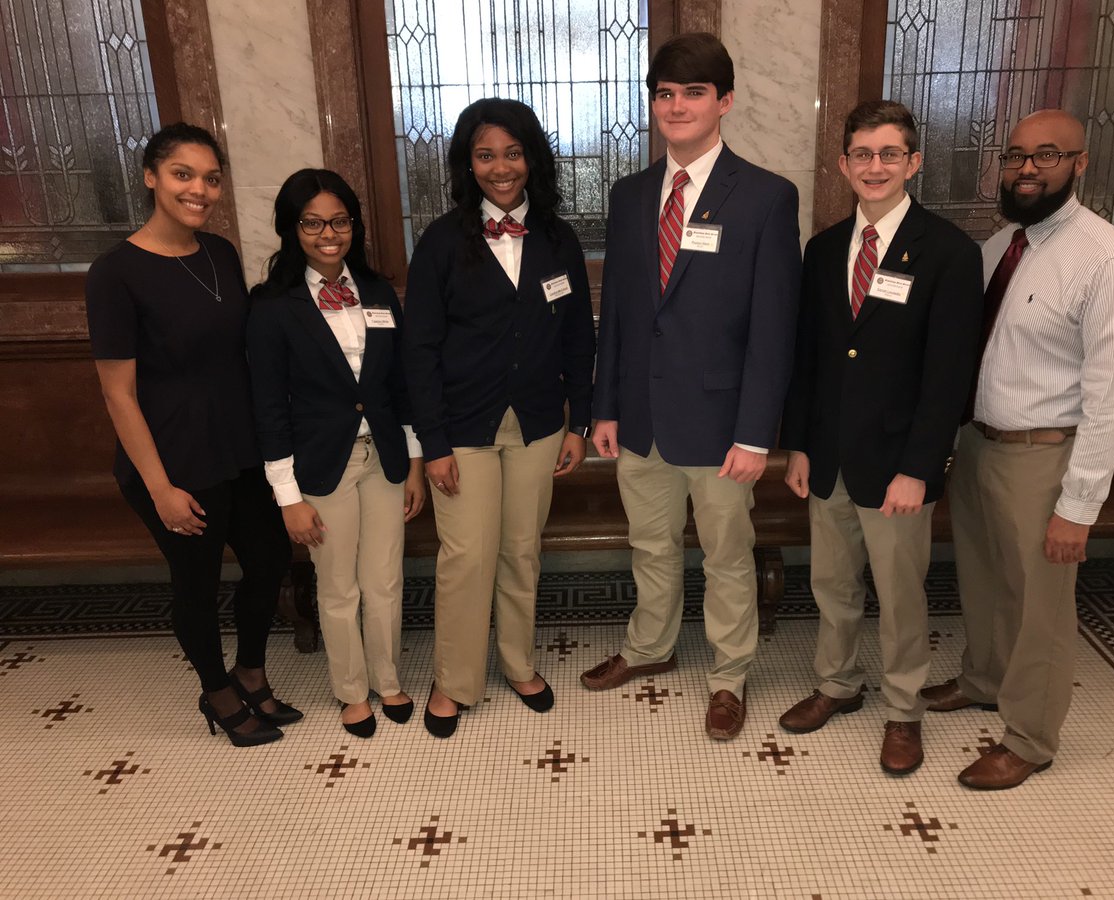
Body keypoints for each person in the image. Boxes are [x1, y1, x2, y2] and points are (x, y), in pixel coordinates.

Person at [579, 32, 803, 740]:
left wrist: (755, 434)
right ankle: (650, 646)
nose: (676, 106)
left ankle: (729, 675)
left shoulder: (767, 197)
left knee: (727, 556)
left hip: (720, 423)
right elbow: (619, 311)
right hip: (640, 417)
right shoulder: (630, 195)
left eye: (694, 93)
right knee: (649, 546)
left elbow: (774, 328)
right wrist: (604, 408)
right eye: (665, 93)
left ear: (724, 102)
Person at [921, 109, 1114, 789]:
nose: (1027, 169)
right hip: (980, 445)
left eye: (1047, 155)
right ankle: (984, 679)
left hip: (1044, 457)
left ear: (1081, 164)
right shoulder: (1001, 246)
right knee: (985, 578)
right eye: (1016, 155)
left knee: (1041, 608)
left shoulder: (1109, 260)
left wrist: (1078, 506)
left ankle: (1029, 737)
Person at [775, 100, 983, 774]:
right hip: (829, 458)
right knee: (832, 584)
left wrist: (920, 467)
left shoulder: (949, 252)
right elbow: (808, 358)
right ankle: (837, 684)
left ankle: (903, 709)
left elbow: (949, 375)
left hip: (898, 463)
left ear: (912, 162)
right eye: (862, 154)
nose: (875, 166)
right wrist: (799, 444)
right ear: (843, 164)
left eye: (889, 154)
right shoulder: (824, 249)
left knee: (900, 597)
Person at [85, 123, 297, 747]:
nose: (198, 190)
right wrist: (160, 488)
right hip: (175, 458)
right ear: (151, 176)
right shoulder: (115, 272)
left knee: (269, 559)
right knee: (197, 584)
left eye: (210, 178)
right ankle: (217, 691)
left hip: (239, 446)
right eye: (183, 174)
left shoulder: (220, 252)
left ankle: (250, 671)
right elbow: (118, 394)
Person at [403, 98, 596, 738]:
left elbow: (578, 339)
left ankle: (517, 663)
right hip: (463, 429)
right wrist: (433, 444)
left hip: (539, 425)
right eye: (485, 155)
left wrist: (578, 424)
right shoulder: (440, 242)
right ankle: (454, 681)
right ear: (468, 164)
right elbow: (419, 351)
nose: (501, 167)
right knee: (466, 556)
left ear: (531, 159)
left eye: (513, 153)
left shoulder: (558, 238)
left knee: (520, 551)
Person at [246, 169, 425, 738]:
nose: (329, 234)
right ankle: (351, 691)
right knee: (338, 586)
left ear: (354, 225)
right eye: (313, 223)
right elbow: (268, 407)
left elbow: (399, 386)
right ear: (291, 228)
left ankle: (388, 679)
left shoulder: (377, 292)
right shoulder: (271, 306)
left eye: (340, 221)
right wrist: (287, 497)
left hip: (385, 457)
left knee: (385, 579)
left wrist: (415, 463)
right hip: (322, 465)